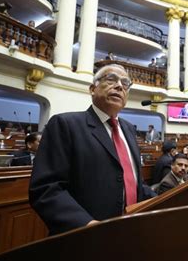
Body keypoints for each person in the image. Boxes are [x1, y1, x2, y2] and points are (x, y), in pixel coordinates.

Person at [29, 64, 155, 235]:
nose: (119, 86)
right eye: (111, 79)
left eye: (125, 83)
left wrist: (167, 200)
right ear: (92, 89)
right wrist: (86, 225)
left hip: (129, 231)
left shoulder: (129, 129)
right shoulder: (65, 125)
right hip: (84, 238)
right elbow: (46, 188)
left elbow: (133, 182)